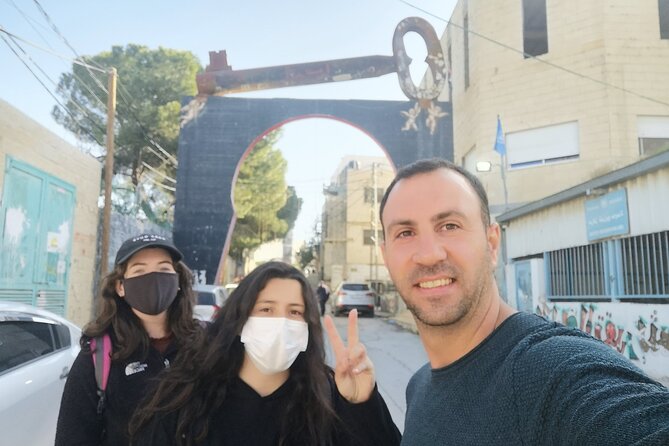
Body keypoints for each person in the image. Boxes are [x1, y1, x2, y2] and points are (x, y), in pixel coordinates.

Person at [378, 158, 669, 445]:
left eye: (450, 225)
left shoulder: (551, 374)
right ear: (385, 255)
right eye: (405, 233)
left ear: (492, 244)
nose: (429, 254)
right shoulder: (419, 386)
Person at [129, 261, 400, 446]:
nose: (281, 322)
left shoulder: (329, 399)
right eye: (266, 309)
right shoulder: (185, 396)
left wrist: (363, 404)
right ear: (240, 320)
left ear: (307, 327)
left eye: (294, 312)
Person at [55, 233, 203, 446]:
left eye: (163, 269)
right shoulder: (98, 355)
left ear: (178, 280)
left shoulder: (204, 346)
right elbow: (72, 438)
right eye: (139, 270)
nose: (153, 278)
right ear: (120, 287)